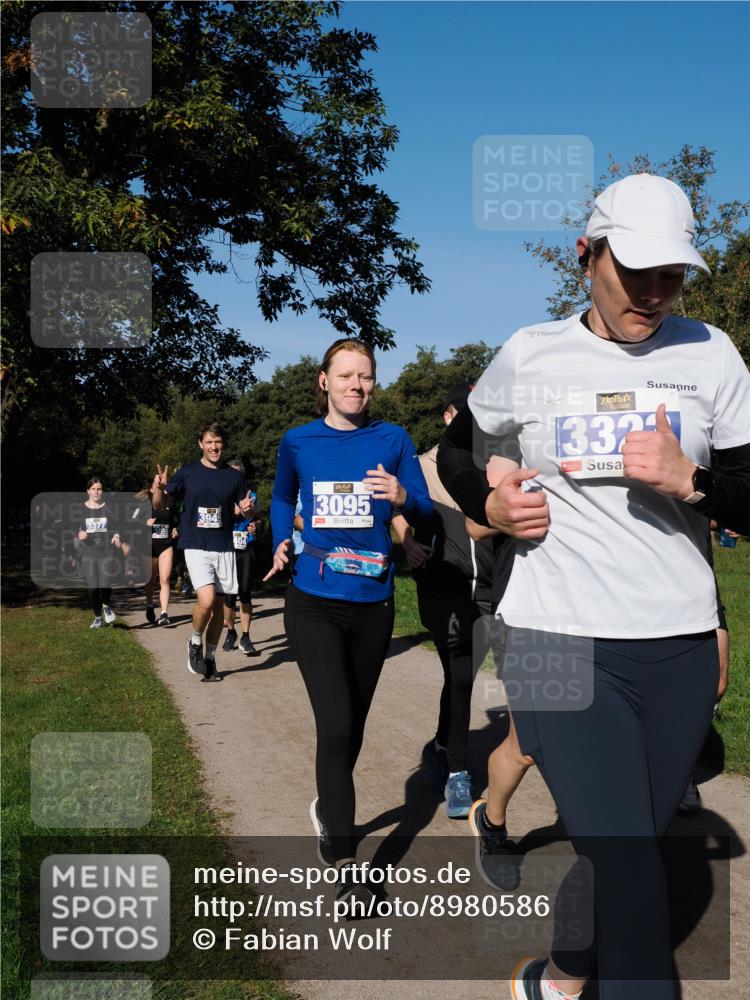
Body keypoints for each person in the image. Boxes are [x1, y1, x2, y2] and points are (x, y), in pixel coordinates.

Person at [437, 173, 750, 1000]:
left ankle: (562, 976)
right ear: (587, 255)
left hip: (678, 647)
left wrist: (695, 483)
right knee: (633, 873)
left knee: (629, 847)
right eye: (635, 270)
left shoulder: (711, 354)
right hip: (556, 636)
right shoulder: (532, 352)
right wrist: (488, 506)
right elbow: (459, 449)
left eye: (672, 274)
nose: (654, 292)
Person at [264, 337, 432, 905]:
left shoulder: (393, 439)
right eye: (346, 375)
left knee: (352, 726)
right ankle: (345, 860)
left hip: (373, 604)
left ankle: (327, 807)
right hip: (313, 599)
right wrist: (280, 539)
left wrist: (403, 495)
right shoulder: (298, 441)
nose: (356, 385)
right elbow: (281, 497)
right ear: (324, 381)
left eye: (365, 376)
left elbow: (427, 510)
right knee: (336, 726)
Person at [393, 384, 500, 819]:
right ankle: (458, 772)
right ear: (448, 416)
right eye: (467, 413)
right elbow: (396, 507)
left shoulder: (494, 465)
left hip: (490, 588)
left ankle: (442, 743)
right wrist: (406, 542)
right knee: (459, 672)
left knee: (465, 676)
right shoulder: (422, 466)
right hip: (443, 585)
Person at [152, 424, 254, 682]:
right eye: (209, 442)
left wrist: (247, 510)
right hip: (196, 544)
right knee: (206, 600)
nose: (214, 447)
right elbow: (160, 504)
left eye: (217, 441)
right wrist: (159, 488)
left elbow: (248, 511)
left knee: (219, 607)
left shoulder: (234, 476)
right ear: (200, 444)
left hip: (224, 546)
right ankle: (195, 641)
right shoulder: (188, 472)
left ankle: (209, 659)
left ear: (223, 444)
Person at [221, 461, 260, 656]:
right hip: (226, 548)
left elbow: (255, 515)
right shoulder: (221, 493)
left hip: (246, 547)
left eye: (237, 474)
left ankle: (246, 636)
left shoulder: (250, 494)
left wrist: (254, 523)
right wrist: (230, 511)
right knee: (229, 595)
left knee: (245, 592)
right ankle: (231, 632)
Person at [77, 477, 122, 628]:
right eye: (94, 489)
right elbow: (75, 527)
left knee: (105, 584)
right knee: (92, 588)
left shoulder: (109, 508)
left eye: (99, 489)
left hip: (106, 551)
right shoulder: (81, 509)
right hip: (88, 552)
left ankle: (106, 606)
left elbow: (118, 526)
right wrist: (79, 534)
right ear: (88, 491)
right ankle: (97, 618)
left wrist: (117, 535)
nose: (97, 492)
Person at [137, 482, 179, 626]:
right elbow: (132, 523)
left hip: (165, 545)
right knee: (150, 581)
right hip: (148, 547)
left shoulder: (170, 501)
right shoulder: (144, 502)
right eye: (157, 484)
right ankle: (149, 604)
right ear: (151, 488)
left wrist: (175, 529)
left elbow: (175, 521)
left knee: (165, 579)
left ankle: (164, 613)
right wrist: (145, 523)